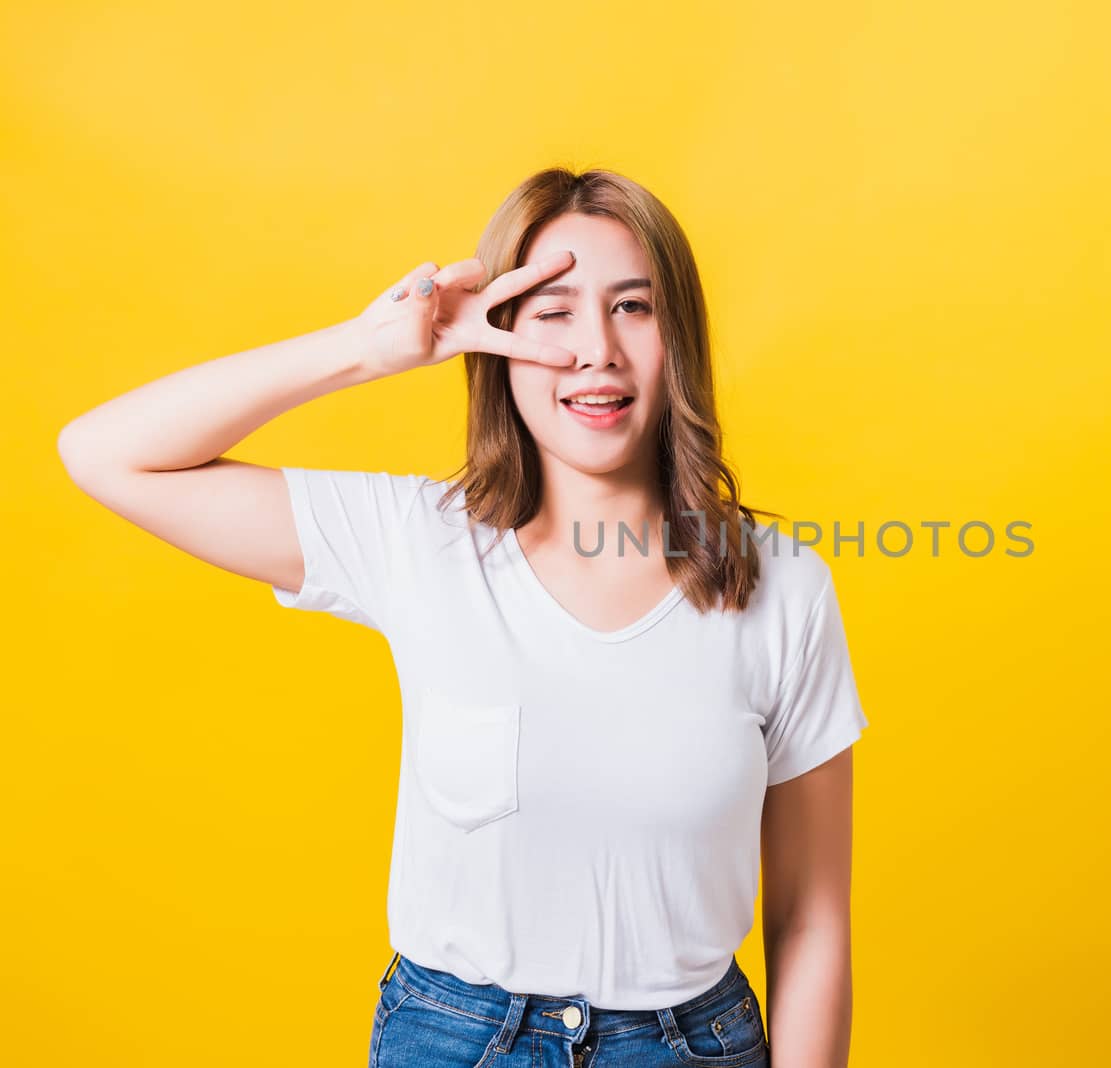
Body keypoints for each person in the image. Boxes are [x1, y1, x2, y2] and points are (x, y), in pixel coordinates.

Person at [58, 167, 868, 1067]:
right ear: (500, 340)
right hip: (452, 1043)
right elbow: (103, 455)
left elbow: (811, 922)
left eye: (633, 307)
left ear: (679, 338)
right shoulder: (417, 541)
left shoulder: (785, 589)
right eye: (553, 312)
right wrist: (368, 350)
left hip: (692, 1045)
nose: (596, 349)